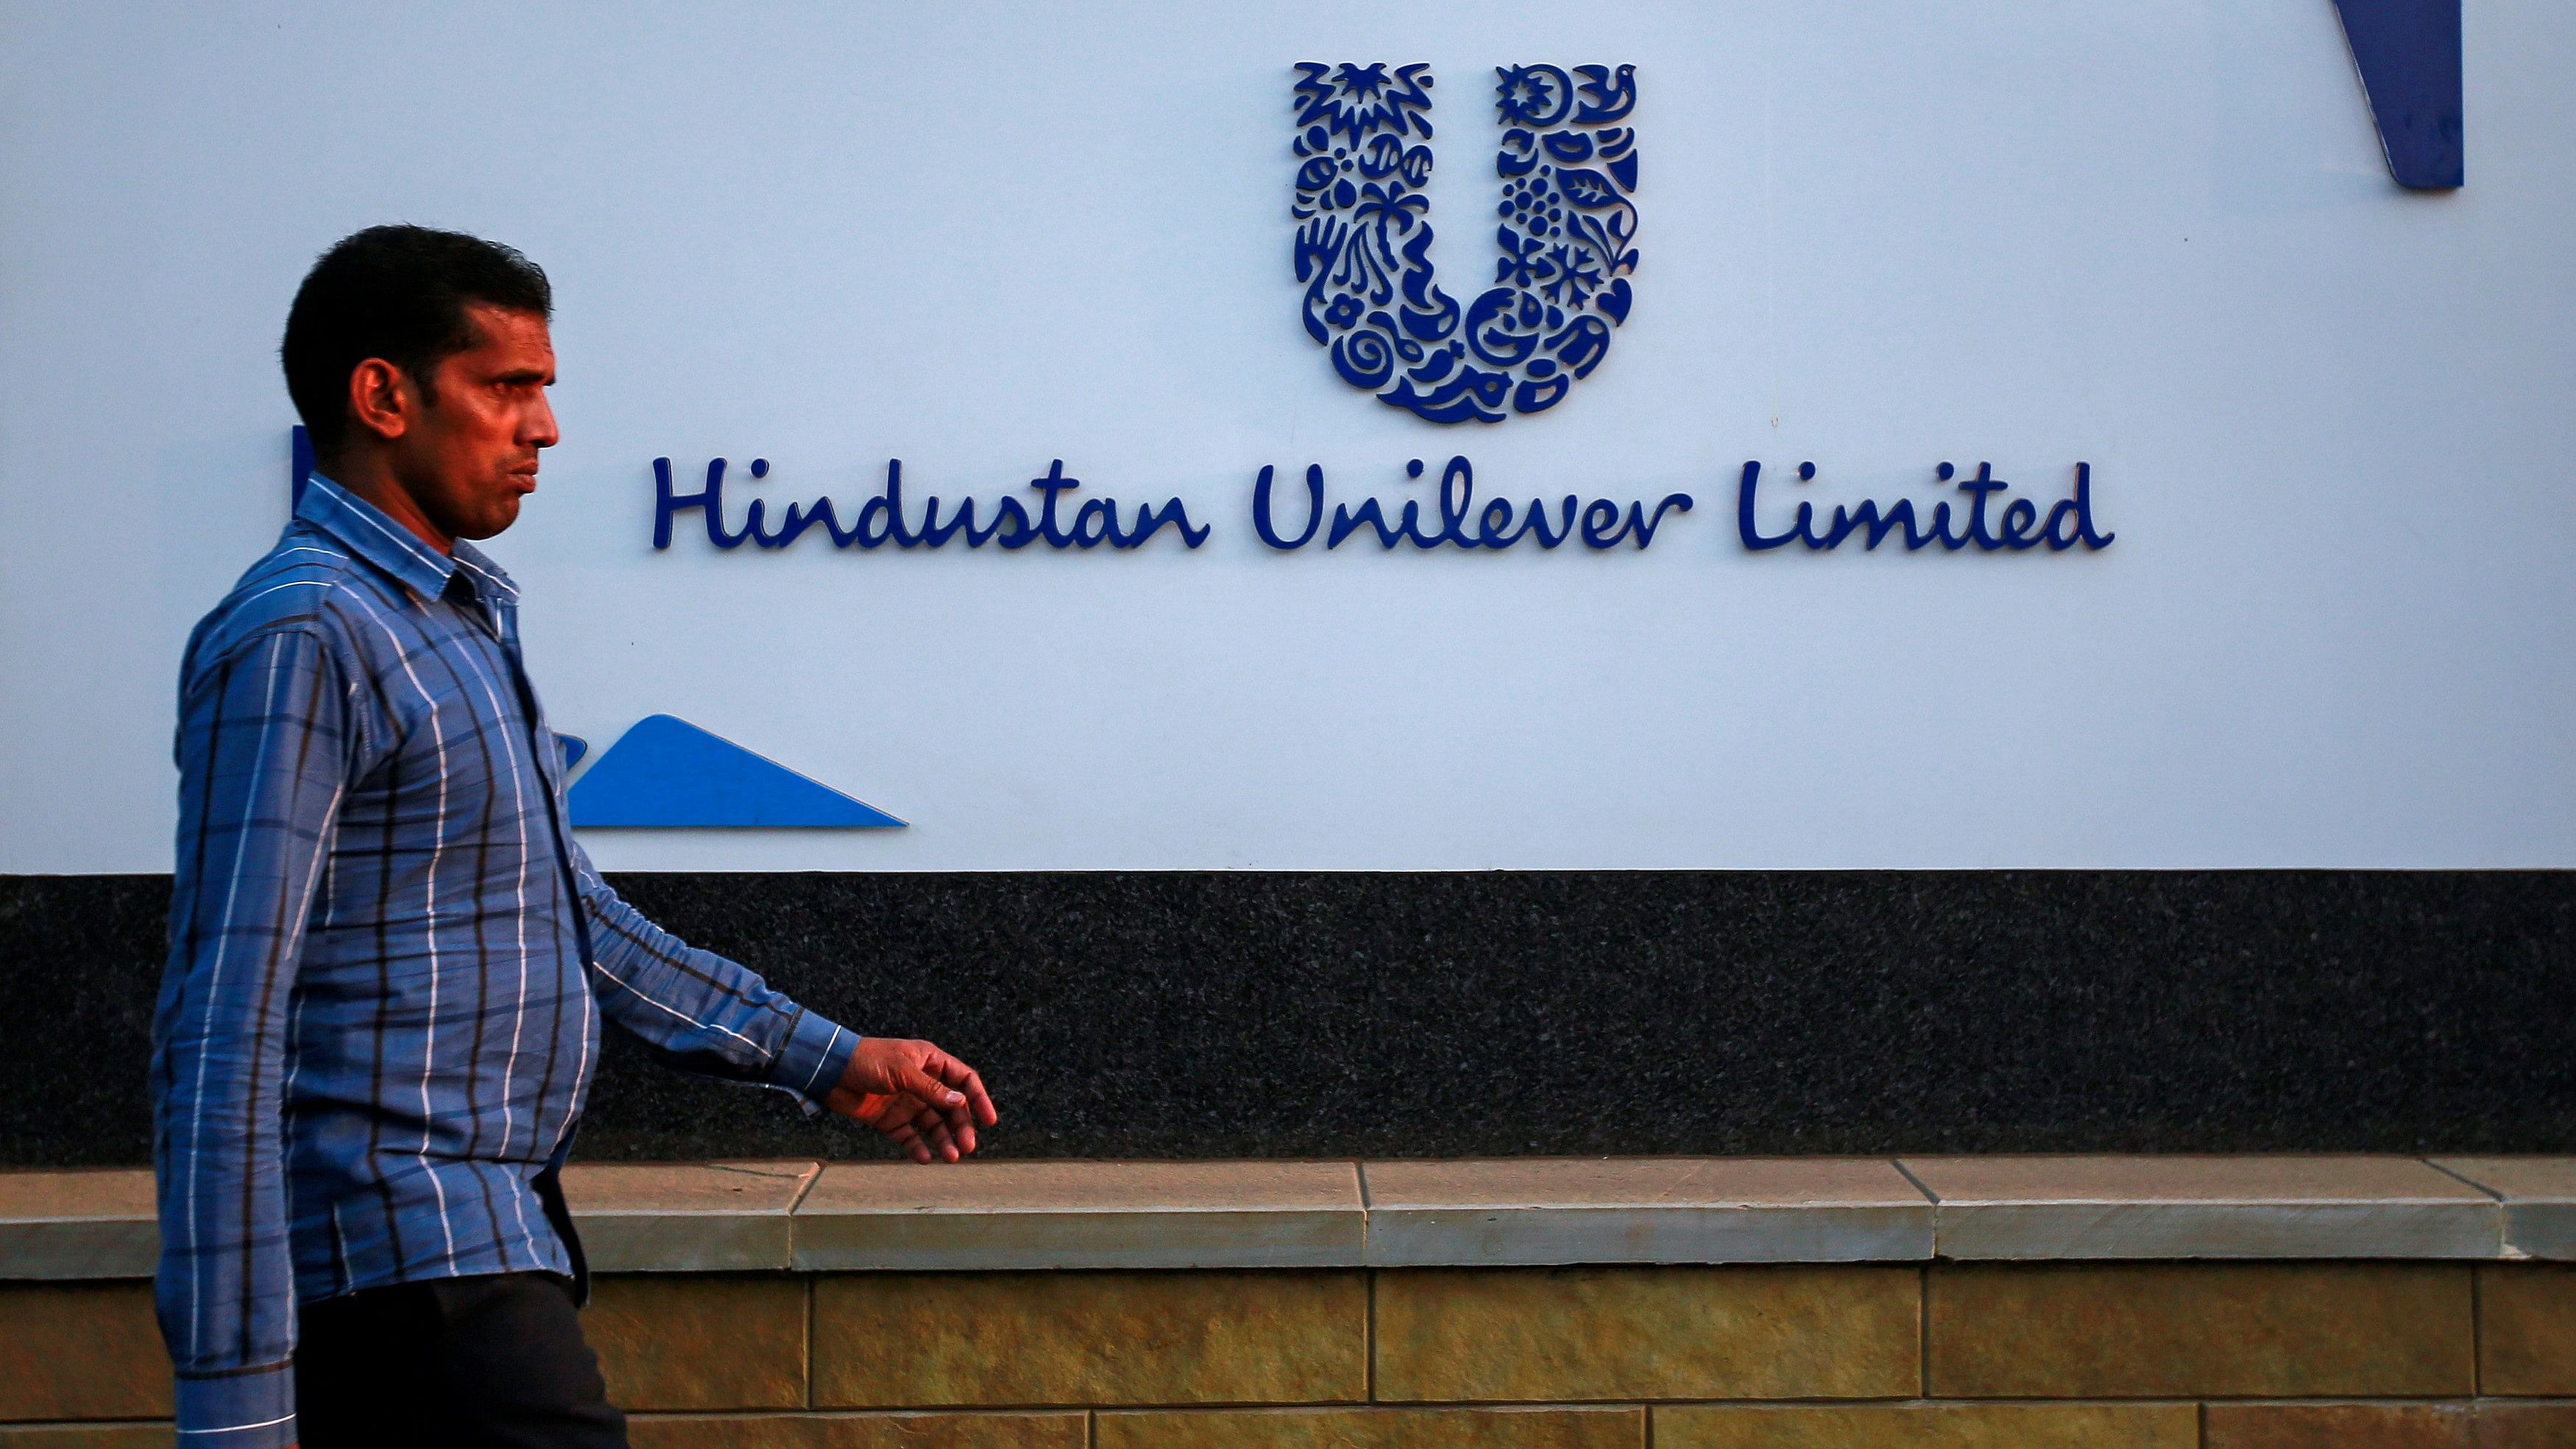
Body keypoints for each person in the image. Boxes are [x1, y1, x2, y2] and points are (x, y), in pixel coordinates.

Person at [151, 224, 997, 1449]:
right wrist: (234, 1407)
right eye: (508, 386)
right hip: (404, 1256)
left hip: (482, 1239)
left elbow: (576, 920)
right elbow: (221, 1024)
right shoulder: (306, 636)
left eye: (545, 389)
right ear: (384, 394)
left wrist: (830, 1055)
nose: (544, 427)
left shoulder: (453, 621)